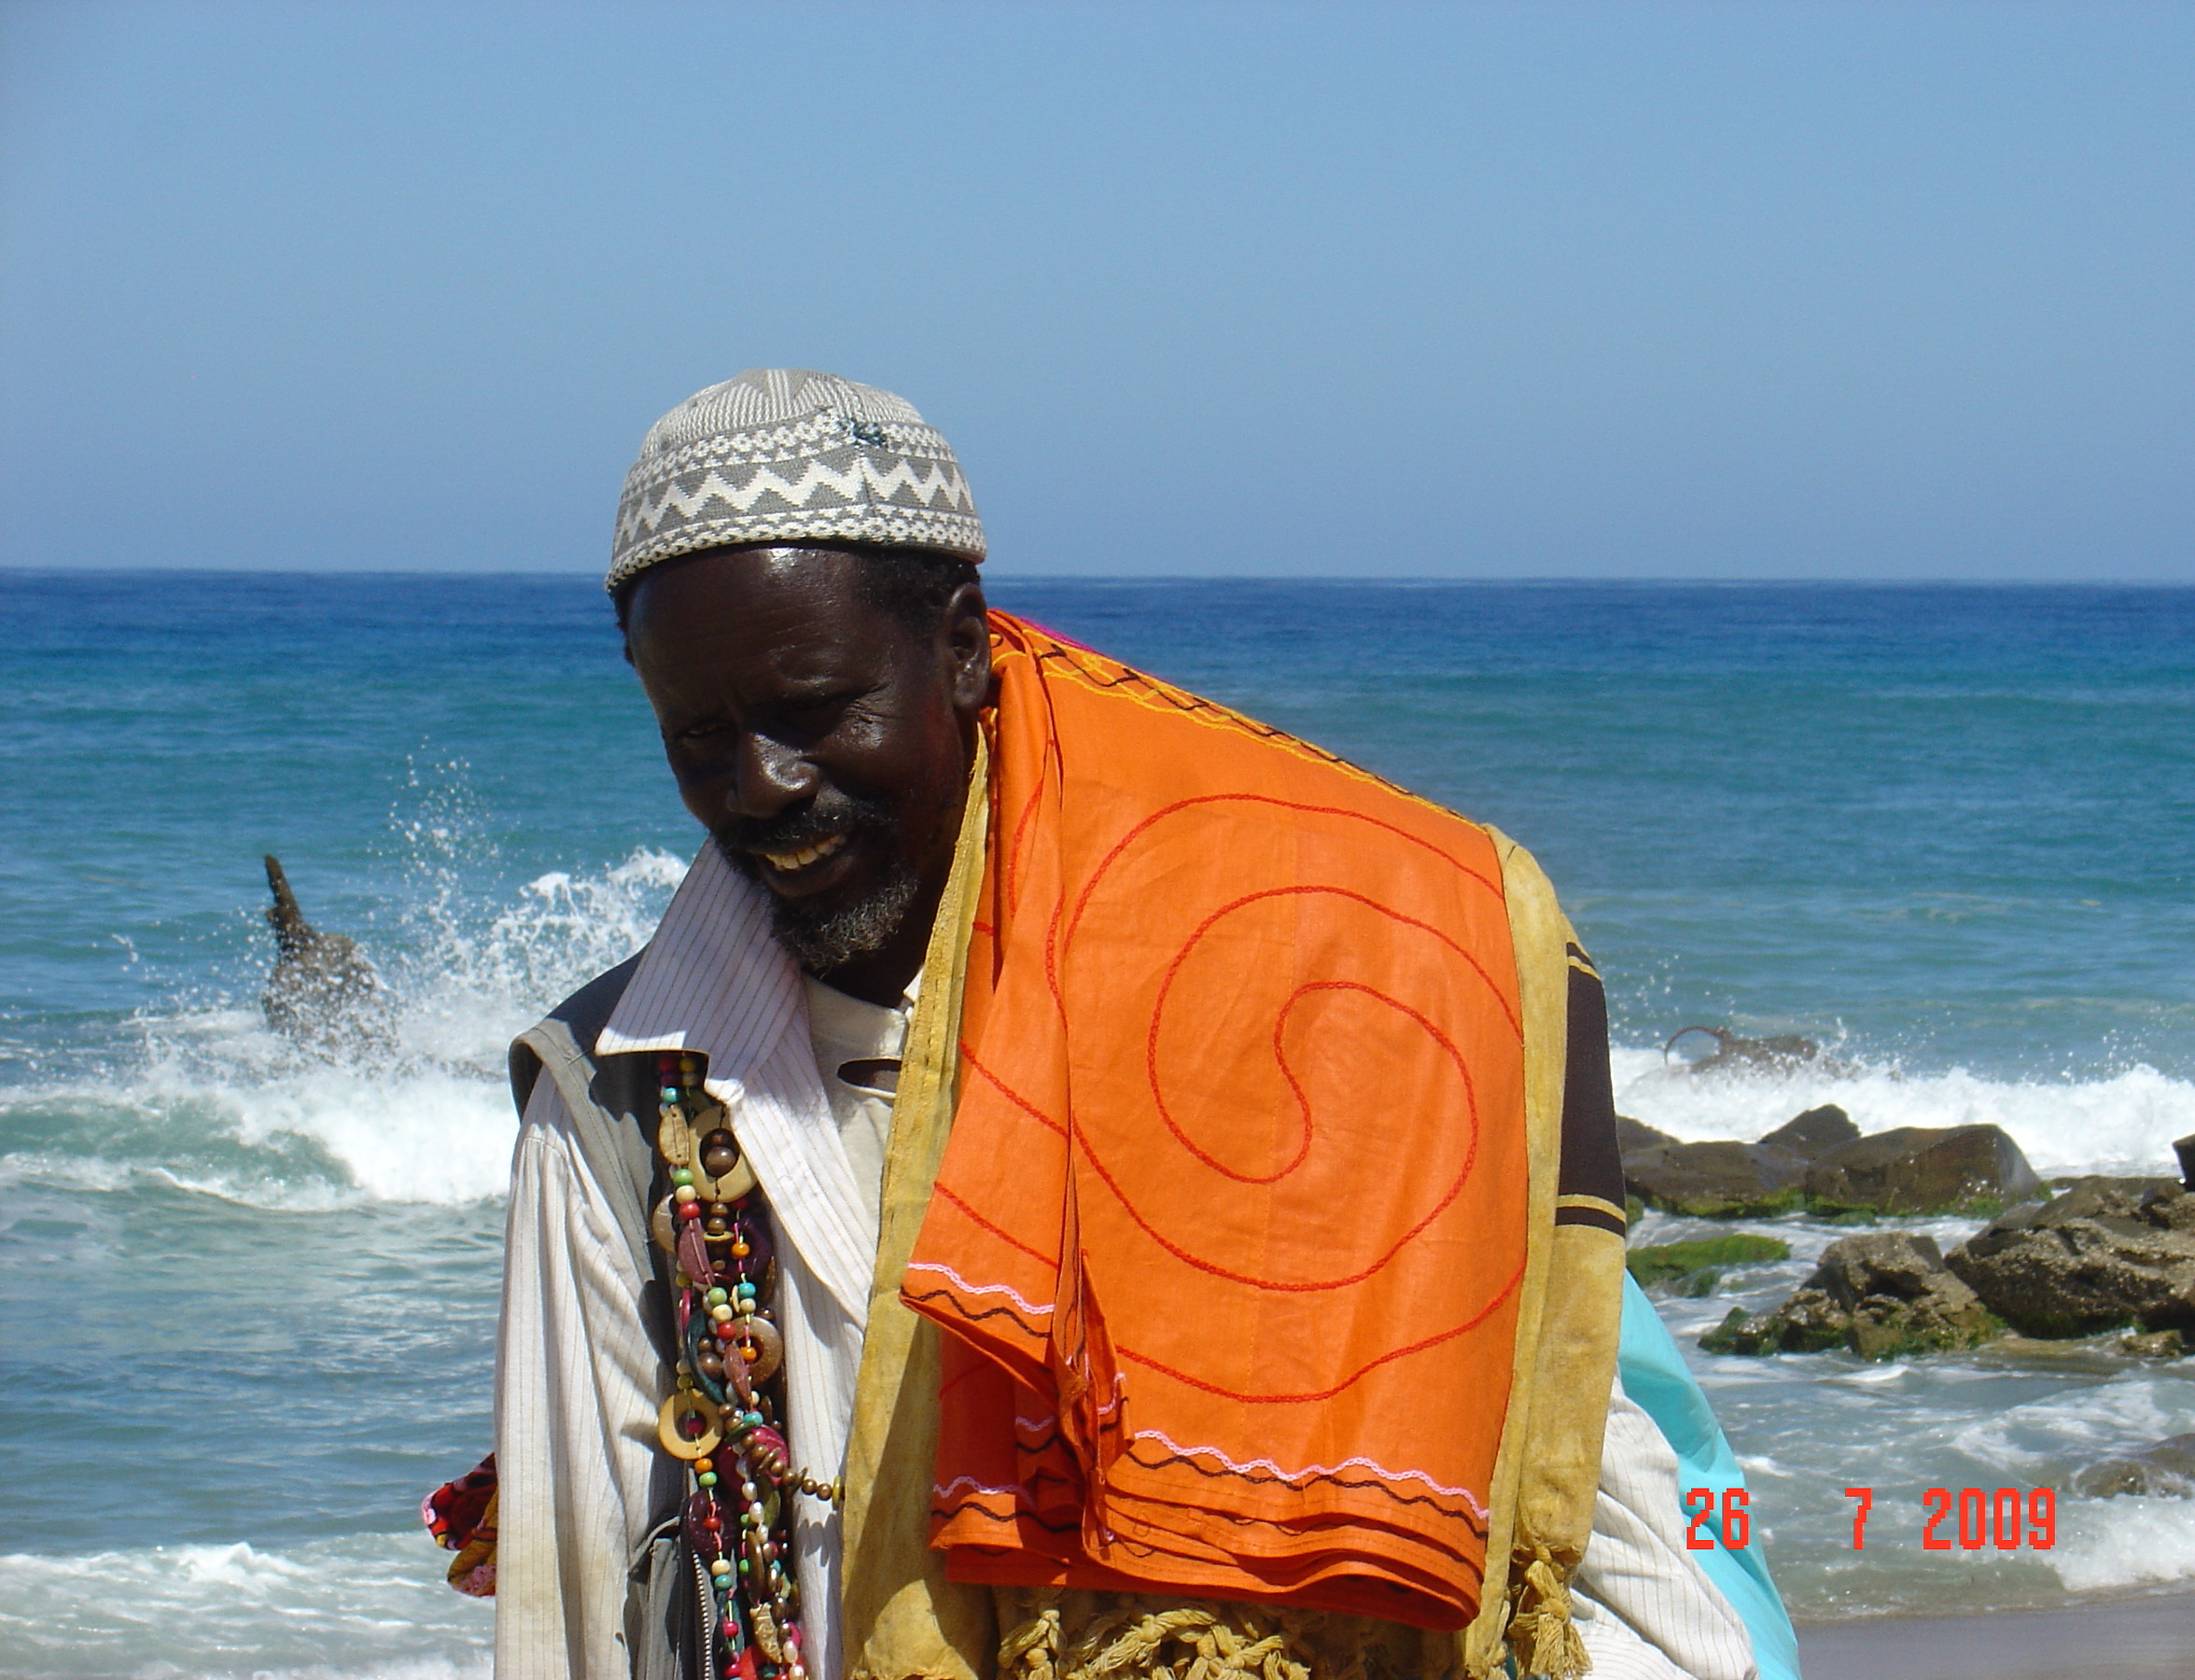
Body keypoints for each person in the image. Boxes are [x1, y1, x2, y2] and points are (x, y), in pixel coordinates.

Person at [482, 371, 1796, 1680]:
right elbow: (573, 1598)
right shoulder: (612, 1106)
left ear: (958, 649)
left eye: (819, 711)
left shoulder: (1314, 991)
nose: (760, 785)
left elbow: (1638, 1573)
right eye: (699, 738)